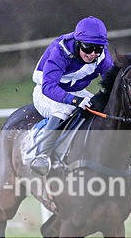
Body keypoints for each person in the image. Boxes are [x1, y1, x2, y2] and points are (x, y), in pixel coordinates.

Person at [29, 16, 115, 175]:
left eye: (98, 49)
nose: (93, 54)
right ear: (78, 42)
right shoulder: (60, 51)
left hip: (76, 91)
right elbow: (48, 87)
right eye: (88, 48)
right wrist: (74, 100)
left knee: (102, 109)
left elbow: (111, 82)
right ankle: (42, 156)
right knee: (64, 110)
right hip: (46, 91)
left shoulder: (101, 55)